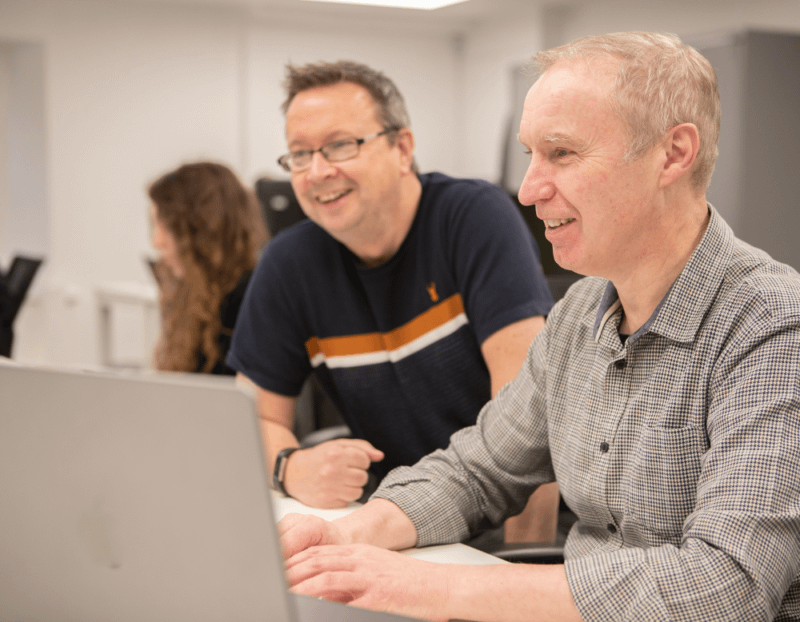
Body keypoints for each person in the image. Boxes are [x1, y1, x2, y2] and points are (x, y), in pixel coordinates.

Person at [278, 32, 800, 622]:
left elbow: (726, 582)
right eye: (530, 155)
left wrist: (440, 588)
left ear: (673, 155)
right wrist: (350, 536)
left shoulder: (775, 328)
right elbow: (477, 470)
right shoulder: (580, 314)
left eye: (563, 154)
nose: (529, 190)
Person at [227, 60, 559, 543]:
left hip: (507, 526)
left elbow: (530, 429)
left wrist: (518, 571)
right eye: (299, 154)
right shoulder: (288, 264)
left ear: (402, 148)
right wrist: (290, 467)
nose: (318, 171)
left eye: (340, 145)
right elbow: (250, 417)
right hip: (401, 521)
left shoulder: (473, 219)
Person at [148, 161, 267, 375]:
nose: (157, 241)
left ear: (201, 230)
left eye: (166, 226)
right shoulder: (196, 294)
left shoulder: (251, 300)